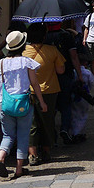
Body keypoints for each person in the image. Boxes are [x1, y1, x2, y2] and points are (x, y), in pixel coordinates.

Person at [0, 30, 46, 179]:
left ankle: (1, 157)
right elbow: (34, 83)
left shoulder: (1, 64)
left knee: (7, 135)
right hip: (23, 104)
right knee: (23, 135)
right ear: (23, 46)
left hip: (5, 104)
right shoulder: (26, 62)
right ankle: (19, 169)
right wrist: (41, 101)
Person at [23, 23, 65, 165]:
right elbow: (61, 71)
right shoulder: (52, 50)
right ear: (44, 36)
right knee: (47, 122)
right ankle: (46, 151)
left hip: (28, 91)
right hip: (49, 90)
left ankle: (32, 154)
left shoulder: (23, 51)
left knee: (31, 123)